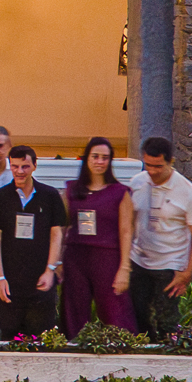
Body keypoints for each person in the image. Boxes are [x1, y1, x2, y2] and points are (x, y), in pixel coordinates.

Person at [126, 137, 192, 340]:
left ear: (171, 161)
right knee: (136, 314)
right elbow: (127, 222)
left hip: (170, 265)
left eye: (158, 166)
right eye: (148, 165)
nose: (152, 171)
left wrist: (187, 272)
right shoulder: (137, 183)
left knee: (167, 320)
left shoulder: (190, 193)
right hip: (138, 259)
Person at [0, 146, 66, 340]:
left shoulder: (50, 196)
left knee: (40, 338)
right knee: (9, 337)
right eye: (15, 166)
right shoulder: (0, 197)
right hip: (10, 282)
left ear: (34, 166)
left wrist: (50, 269)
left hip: (40, 280)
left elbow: (57, 234)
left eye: (25, 166)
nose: (19, 171)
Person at [60, 136, 137, 334]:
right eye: (95, 156)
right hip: (76, 257)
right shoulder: (70, 191)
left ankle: (123, 351)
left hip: (108, 258)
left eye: (105, 157)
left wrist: (124, 268)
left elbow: (126, 230)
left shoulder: (120, 192)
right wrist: (57, 262)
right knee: (74, 312)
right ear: (86, 158)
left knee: (116, 312)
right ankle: (73, 352)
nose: (99, 162)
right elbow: (61, 228)